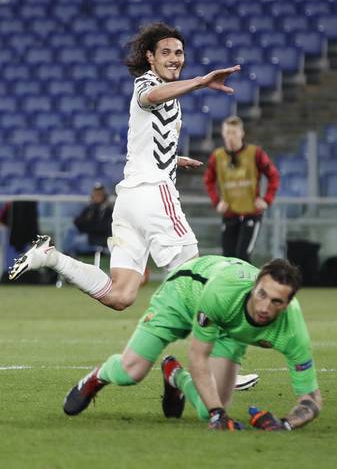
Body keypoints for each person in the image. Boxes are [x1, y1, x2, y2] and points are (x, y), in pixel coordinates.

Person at [9, 22, 241, 312]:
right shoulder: (149, 83)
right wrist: (201, 81)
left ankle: (51, 257)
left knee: (120, 295)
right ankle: (213, 352)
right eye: (166, 52)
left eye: (179, 52)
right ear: (150, 58)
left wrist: (174, 159)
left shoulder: (166, 91)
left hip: (129, 201)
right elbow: (150, 97)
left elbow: (146, 138)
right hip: (153, 194)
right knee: (191, 273)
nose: (174, 58)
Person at [63, 255, 321, 431]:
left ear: (288, 305)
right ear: (254, 287)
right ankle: (99, 376)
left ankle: (175, 376)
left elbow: (311, 399)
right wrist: (218, 416)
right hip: (184, 294)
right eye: (262, 294)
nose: (265, 307)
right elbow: (198, 357)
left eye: (276, 302)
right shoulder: (223, 293)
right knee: (132, 371)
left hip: (226, 326)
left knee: (208, 406)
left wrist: (284, 424)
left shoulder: (292, 330)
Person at [204, 116, 280, 262]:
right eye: (228, 132)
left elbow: (273, 175)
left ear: (241, 133)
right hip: (230, 214)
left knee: (243, 255)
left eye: (234, 132)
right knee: (228, 257)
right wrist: (217, 201)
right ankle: (231, 285)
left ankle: (248, 284)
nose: (230, 136)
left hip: (251, 213)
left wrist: (267, 200)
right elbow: (208, 180)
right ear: (223, 134)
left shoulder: (255, 153)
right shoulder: (217, 157)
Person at [64, 183, 113, 257]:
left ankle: (66, 255)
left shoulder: (108, 210)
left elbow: (103, 228)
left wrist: (88, 225)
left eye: (99, 194)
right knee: (71, 229)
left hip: (98, 240)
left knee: (78, 241)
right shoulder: (90, 208)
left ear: (104, 196)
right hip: (88, 236)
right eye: (95, 194)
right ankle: (66, 253)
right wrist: (89, 225)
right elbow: (77, 221)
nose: (96, 196)